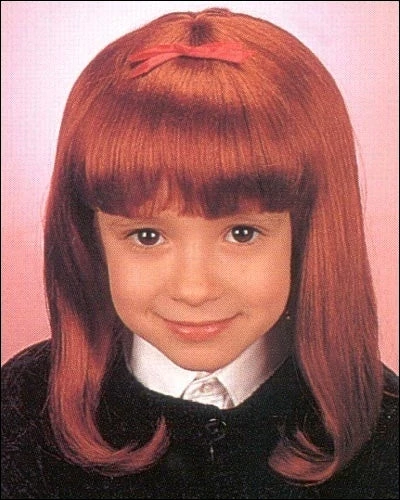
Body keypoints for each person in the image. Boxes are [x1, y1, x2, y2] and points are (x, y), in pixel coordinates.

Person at [1, 7, 398, 499]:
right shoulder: (21, 411)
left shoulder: (384, 432)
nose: (194, 289)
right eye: (147, 237)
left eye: (242, 233)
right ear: (89, 238)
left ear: (310, 234)